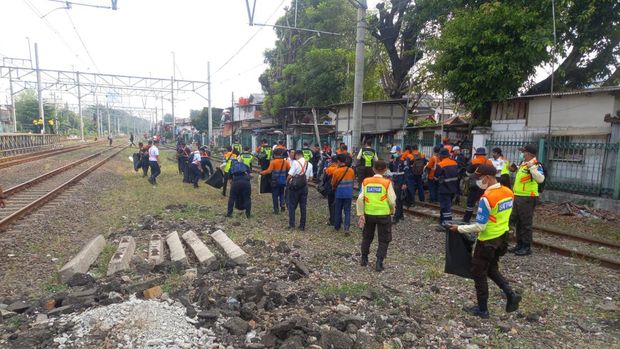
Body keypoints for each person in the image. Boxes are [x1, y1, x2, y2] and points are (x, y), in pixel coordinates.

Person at [449, 164, 521, 319]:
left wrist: (459, 229)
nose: (477, 182)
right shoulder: (508, 192)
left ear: (487, 178)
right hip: (502, 238)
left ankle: (482, 309)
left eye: (479, 178)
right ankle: (511, 294)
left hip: (487, 241)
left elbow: (481, 226)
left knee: (479, 273)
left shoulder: (487, 198)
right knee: (491, 268)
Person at [357, 160, 396, 272]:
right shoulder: (387, 183)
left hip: (369, 213)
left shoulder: (366, 181)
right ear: (385, 170)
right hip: (383, 214)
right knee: (384, 239)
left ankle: (364, 259)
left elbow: (360, 198)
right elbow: (392, 201)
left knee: (367, 236)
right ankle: (379, 262)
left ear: (373, 169)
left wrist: (361, 213)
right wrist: (392, 211)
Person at [509, 144, 545, 256]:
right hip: (518, 196)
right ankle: (519, 244)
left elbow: (540, 179)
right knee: (518, 221)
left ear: (529, 153)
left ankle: (526, 247)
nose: (522, 154)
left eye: (523, 152)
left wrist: (531, 168)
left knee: (526, 223)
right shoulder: (523, 164)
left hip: (528, 197)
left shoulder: (535, 164)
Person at [463, 148, 494, 223]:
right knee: (484, 202)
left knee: (470, 203)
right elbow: (492, 172)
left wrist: (473, 175)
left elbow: (467, 172)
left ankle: (466, 219)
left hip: (475, 184)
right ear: (484, 155)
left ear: (477, 155)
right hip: (486, 184)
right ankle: (483, 219)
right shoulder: (489, 162)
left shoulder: (474, 161)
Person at [328, 154, 355, 234]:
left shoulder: (336, 171)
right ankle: (347, 228)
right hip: (349, 193)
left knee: (338, 210)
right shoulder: (351, 170)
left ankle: (337, 226)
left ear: (339, 161)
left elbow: (333, 183)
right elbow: (353, 180)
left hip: (339, 193)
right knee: (347, 211)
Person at [287, 150, 313, 231]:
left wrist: (287, 182)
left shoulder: (295, 163)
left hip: (295, 187)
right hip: (304, 187)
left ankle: (292, 224)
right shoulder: (309, 164)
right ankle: (302, 226)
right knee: (303, 207)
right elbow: (311, 178)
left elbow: (290, 175)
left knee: (292, 206)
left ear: (297, 155)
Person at [260, 148, 291, 214]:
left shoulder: (273, 162)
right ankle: (282, 204)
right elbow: (290, 169)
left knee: (275, 195)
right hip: (283, 181)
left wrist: (262, 172)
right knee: (282, 193)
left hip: (275, 181)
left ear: (275, 154)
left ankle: (276, 210)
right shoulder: (285, 162)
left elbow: (269, 171)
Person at [435, 148, 459, 224]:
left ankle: (448, 224)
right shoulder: (455, 163)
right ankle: (442, 222)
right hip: (453, 188)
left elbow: (436, 177)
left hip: (444, 189)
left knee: (446, 208)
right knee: (445, 206)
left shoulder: (440, 165)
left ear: (441, 156)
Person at [388, 145, 408, 224]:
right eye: (392, 153)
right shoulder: (395, 159)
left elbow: (406, 172)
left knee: (398, 199)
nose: (393, 154)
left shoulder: (404, 160)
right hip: (396, 180)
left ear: (399, 152)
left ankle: (396, 217)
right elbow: (392, 169)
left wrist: (405, 183)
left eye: (394, 153)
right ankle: (401, 215)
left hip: (401, 180)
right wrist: (390, 162)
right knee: (398, 198)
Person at [322, 155, 338, 226]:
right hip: (337, 189)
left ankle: (332, 220)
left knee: (331, 204)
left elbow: (324, 179)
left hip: (330, 189)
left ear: (331, 160)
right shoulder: (339, 168)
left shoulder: (328, 169)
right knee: (338, 204)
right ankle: (338, 219)